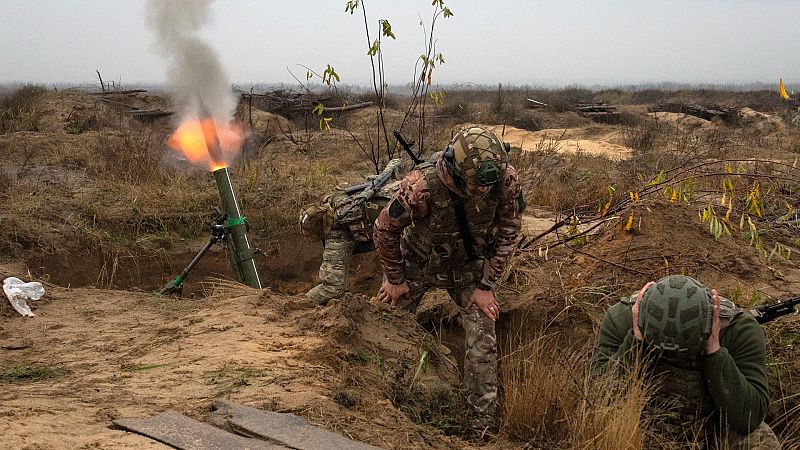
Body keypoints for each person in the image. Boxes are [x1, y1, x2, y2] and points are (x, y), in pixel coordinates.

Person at [373, 126, 524, 430]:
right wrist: (395, 278)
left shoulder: (504, 181)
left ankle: (480, 422)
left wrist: (485, 286)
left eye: (487, 185)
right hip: (419, 262)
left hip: (469, 267)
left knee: (484, 337)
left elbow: (510, 231)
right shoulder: (419, 188)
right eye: (476, 184)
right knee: (381, 324)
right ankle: (376, 399)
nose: (482, 190)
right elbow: (384, 228)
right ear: (456, 167)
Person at [590, 274, 781, 449]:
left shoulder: (738, 330)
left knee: (760, 440)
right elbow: (597, 399)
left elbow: (750, 417)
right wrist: (636, 341)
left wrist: (714, 350)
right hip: (638, 428)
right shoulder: (621, 319)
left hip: (709, 432)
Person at [300, 159, 402, 305]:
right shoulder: (404, 201)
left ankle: (383, 309)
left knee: (395, 276)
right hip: (350, 226)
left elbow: (332, 289)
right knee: (332, 288)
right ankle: (299, 306)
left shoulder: (410, 194)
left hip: (382, 228)